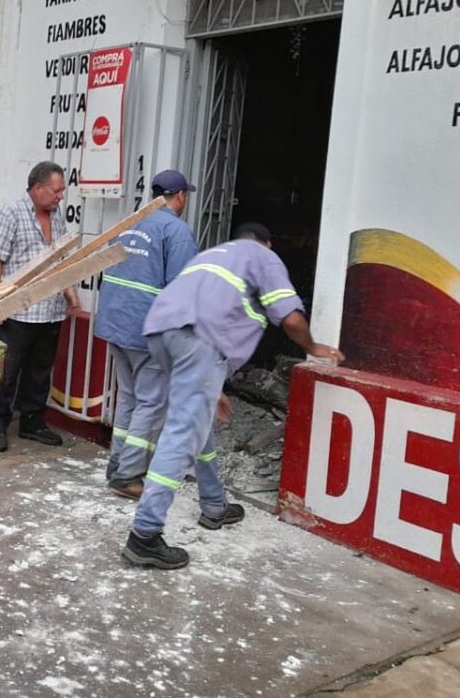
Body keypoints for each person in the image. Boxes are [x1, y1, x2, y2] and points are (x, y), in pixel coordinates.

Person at [122, 222, 345, 569]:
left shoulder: (216, 255)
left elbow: (208, 312)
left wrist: (214, 384)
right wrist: (313, 346)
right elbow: (290, 319)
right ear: (267, 244)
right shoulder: (264, 258)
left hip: (161, 333)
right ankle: (145, 535)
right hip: (198, 343)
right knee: (182, 435)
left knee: (200, 421)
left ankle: (214, 505)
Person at [95, 169, 199, 499]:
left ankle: (118, 465)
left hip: (116, 324)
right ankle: (127, 475)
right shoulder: (176, 232)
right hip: (148, 331)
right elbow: (184, 290)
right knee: (150, 403)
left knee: (128, 397)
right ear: (180, 196)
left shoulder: (129, 224)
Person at [0, 161, 80, 452]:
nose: (61, 196)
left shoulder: (56, 216)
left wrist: (70, 292)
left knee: (39, 371)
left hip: (48, 312)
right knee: (5, 371)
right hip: (18, 310)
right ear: (38, 189)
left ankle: (32, 423)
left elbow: (60, 259)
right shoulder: (11, 214)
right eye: (56, 190)